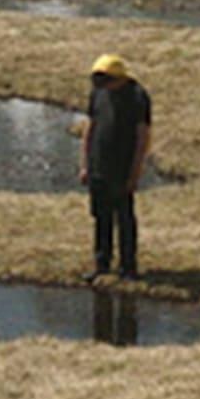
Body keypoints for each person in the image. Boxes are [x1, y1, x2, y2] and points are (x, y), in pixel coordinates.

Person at [79, 54, 152, 282]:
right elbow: (90, 128)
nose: (102, 86)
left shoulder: (137, 96)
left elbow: (143, 136)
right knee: (101, 216)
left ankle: (128, 267)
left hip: (122, 166)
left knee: (124, 218)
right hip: (98, 164)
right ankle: (102, 264)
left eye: (106, 81)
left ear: (118, 78)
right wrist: (85, 164)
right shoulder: (98, 93)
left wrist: (136, 171)